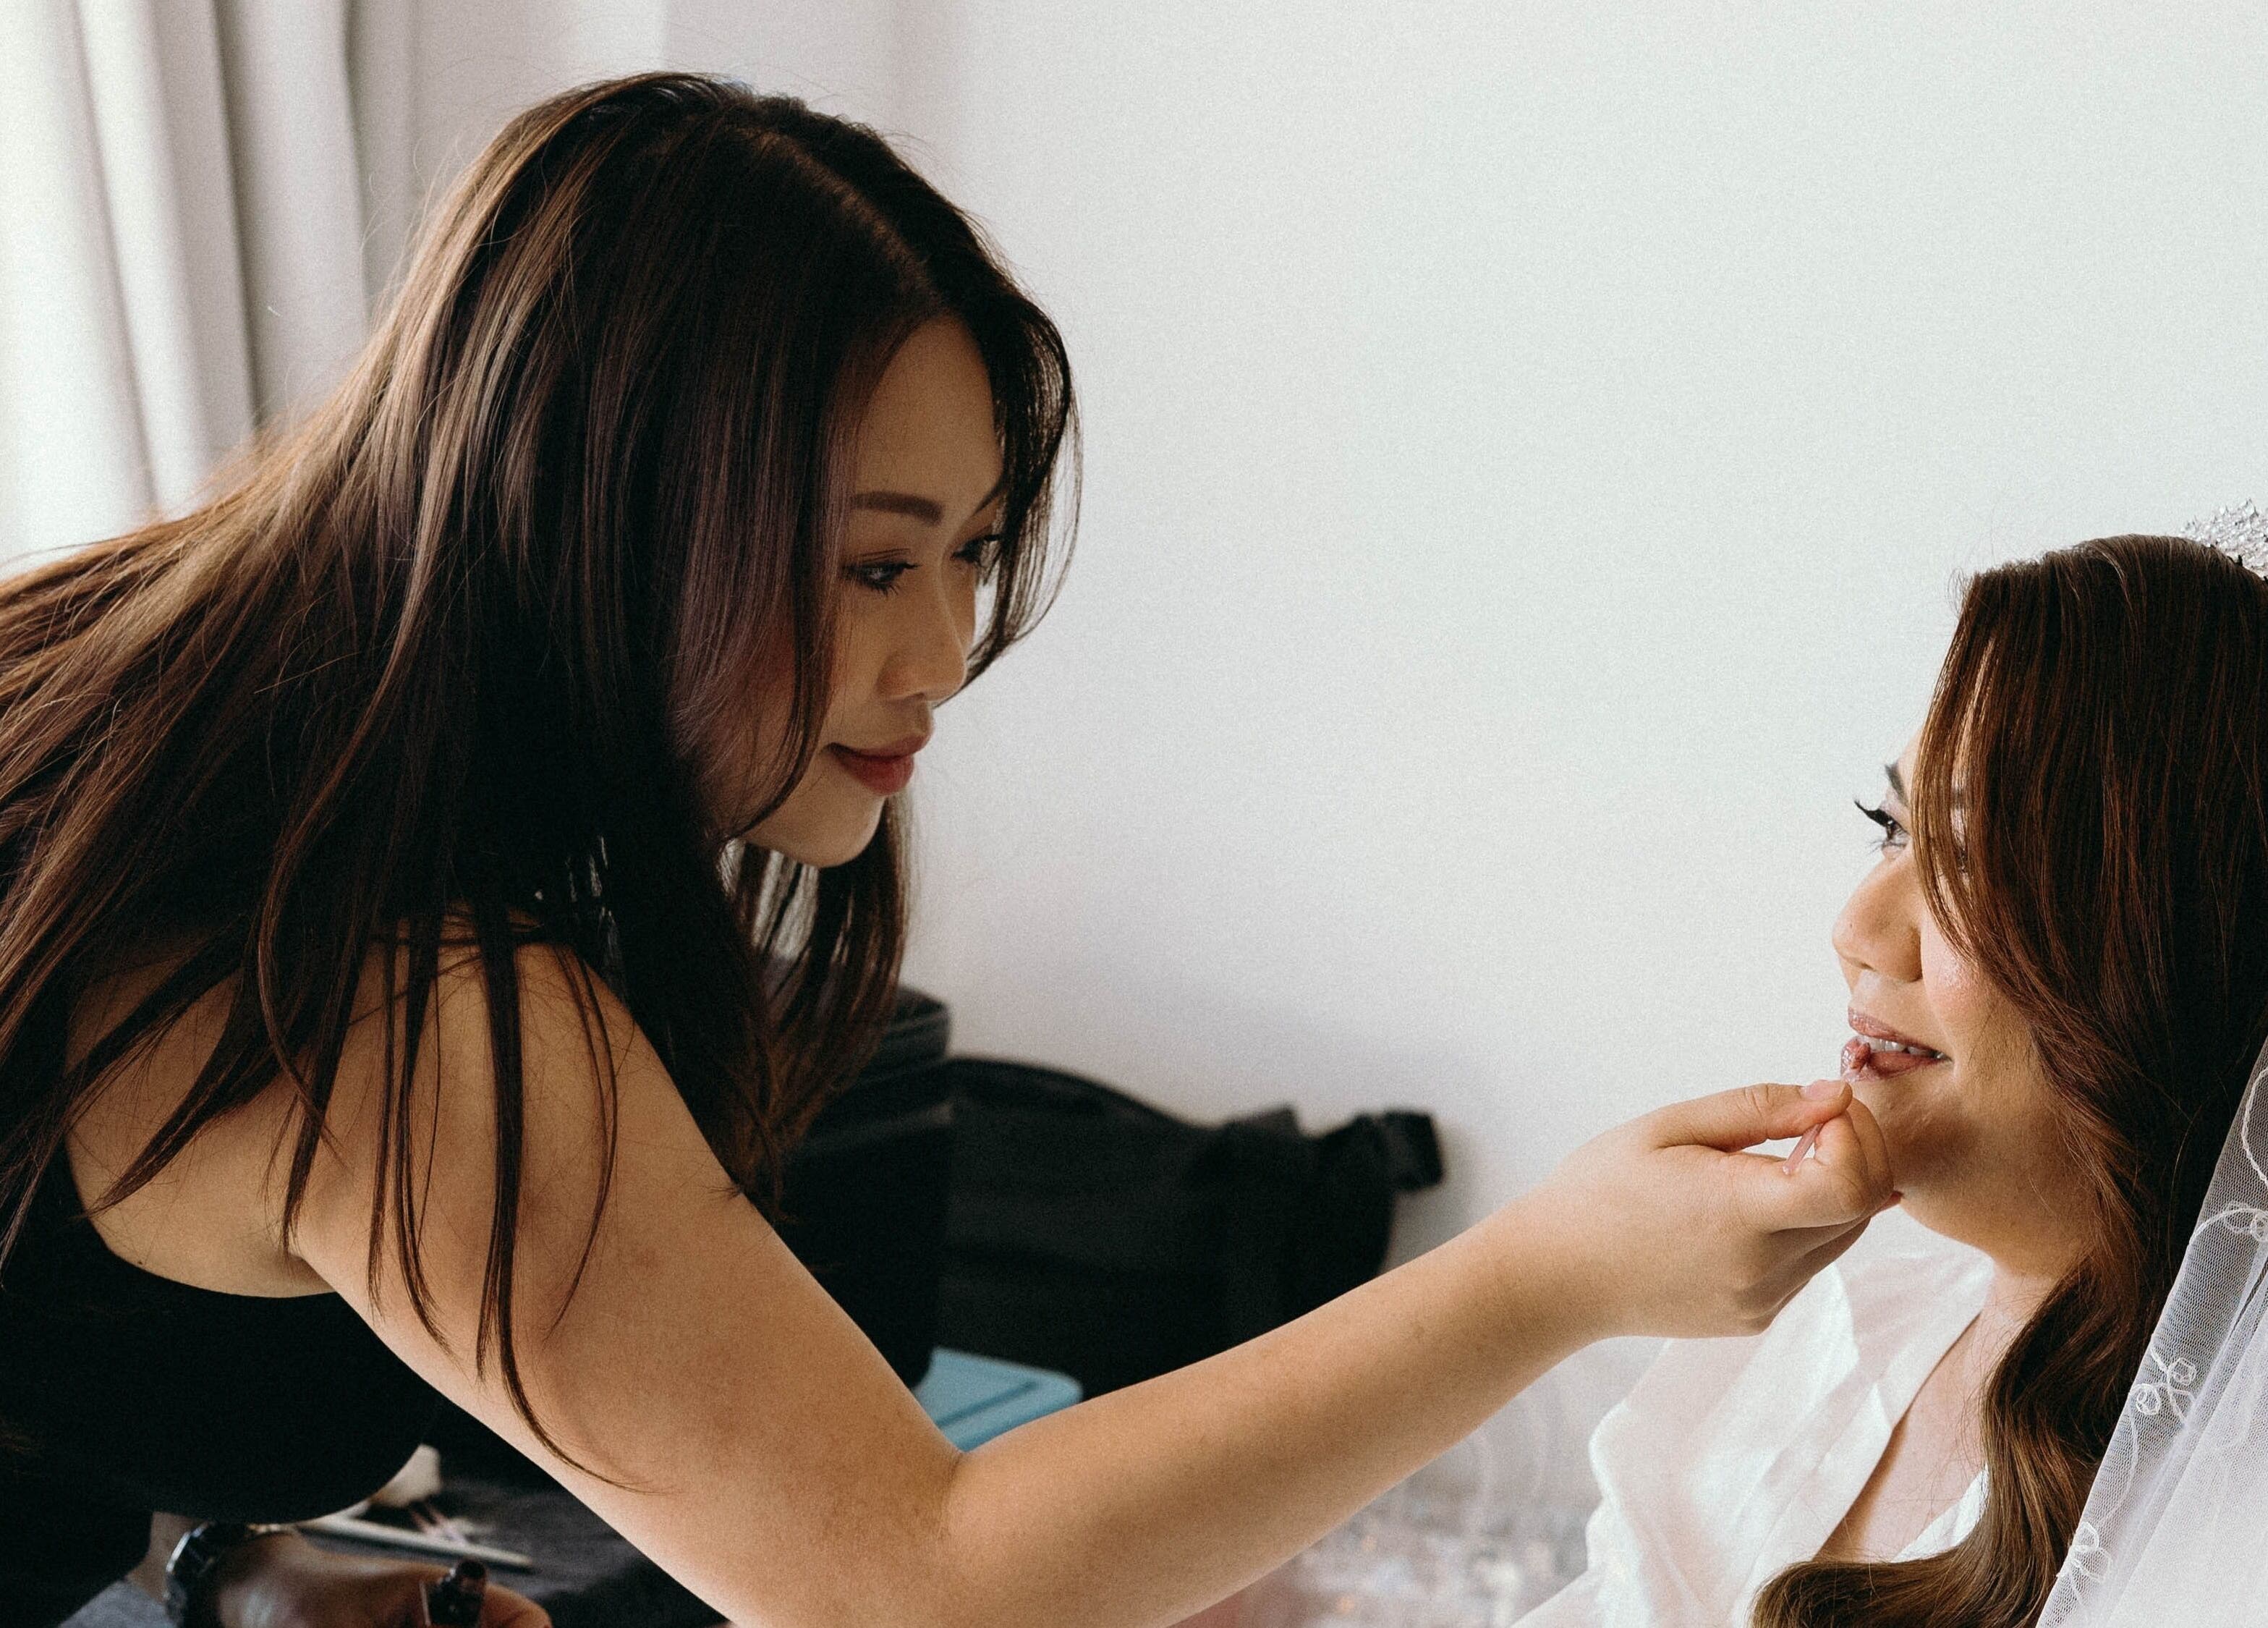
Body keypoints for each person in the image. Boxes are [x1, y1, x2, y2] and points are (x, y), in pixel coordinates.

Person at [0, 74, 1893, 1628]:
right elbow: (921, 1590)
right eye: (874, 562)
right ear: (613, 513)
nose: (943, 657)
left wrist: (248, 1558)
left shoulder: (125, 692)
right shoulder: (391, 999)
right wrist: (1546, 1275)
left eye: (974, 555)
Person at [1520, 533, 2268, 1628]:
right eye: (1889, 828)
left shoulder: (2221, 1553)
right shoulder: (1844, 1322)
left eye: (1971, 862)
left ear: (2175, 964)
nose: (1857, 929)